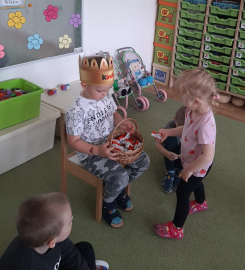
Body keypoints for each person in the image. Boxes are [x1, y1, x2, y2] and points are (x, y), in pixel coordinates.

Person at [65, 51, 150, 228]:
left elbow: (113, 114)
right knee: (120, 176)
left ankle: (116, 190)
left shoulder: (106, 96)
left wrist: (121, 124)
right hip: (91, 154)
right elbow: (73, 141)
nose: (105, 94)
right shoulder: (77, 111)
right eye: (100, 90)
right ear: (84, 84)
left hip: (113, 143)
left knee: (143, 161)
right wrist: (98, 151)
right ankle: (108, 203)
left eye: (108, 89)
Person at [153, 68, 218, 240]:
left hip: (197, 166)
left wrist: (189, 170)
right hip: (191, 160)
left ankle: (177, 228)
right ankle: (201, 202)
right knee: (196, 184)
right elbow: (186, 129)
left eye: (184, 97)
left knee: (182, 193)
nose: (182, 100)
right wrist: (169, 132)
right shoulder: (192, 111)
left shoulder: (205, 126)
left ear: (196, 100)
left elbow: (207, 156)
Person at [0, 192, 110, 270]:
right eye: (69, 222)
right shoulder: (29, 265)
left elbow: (71, 255)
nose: (72, 219)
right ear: (52, 242)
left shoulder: (47, 236)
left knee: (86, 248)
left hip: (53, 262)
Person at [154, 106, 186, 193]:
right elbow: (157, 144)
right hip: (171, 155)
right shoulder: (169, 126)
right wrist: (166, 153)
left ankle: (179, 171)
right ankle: (170, 172)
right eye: (179, 129)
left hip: (184, 158)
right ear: (174, 119)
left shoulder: (193, 130)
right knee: (170, 139)